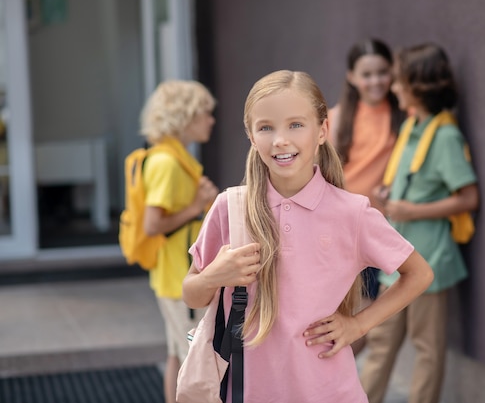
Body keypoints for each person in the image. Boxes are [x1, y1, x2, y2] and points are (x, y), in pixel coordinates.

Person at [182, 70, 434, 402]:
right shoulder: (230, 207)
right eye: (266, 127)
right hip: (247, 392)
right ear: (251, 136)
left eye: (296, 125)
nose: (280, 140)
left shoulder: (352, 213)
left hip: (330, 392)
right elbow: (191, 294)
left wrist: (358, 326)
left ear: (322, 131)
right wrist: (215, 275)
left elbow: (419, 274)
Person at [359, 43, 480, 403]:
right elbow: (412, 181)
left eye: (399, 81)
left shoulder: (444, 137)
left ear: (418, 85)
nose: (393, 87)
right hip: (395, 261)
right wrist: (388, 195)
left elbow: (469, 197)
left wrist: (411, 211)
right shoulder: (413, 126)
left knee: (426, 347)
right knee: (380, 342)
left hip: (429, 262)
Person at [139, 80, 220, 403]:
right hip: (177, 280)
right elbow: (152, 224)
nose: (211, 120)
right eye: (205, 113)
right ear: (184, 116)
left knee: (177, 353)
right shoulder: (167, 163)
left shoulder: (173, 158)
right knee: (195, 359)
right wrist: (196, 207)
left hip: (173, 277)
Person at [328, 38, 405, 354]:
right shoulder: (336, 118)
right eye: (367, 74)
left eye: (382, 72)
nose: (375, 81)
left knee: (369, 319)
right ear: (351, 77)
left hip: (381, 229)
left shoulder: (403, 115)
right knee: (342, 317)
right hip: (342, 230)